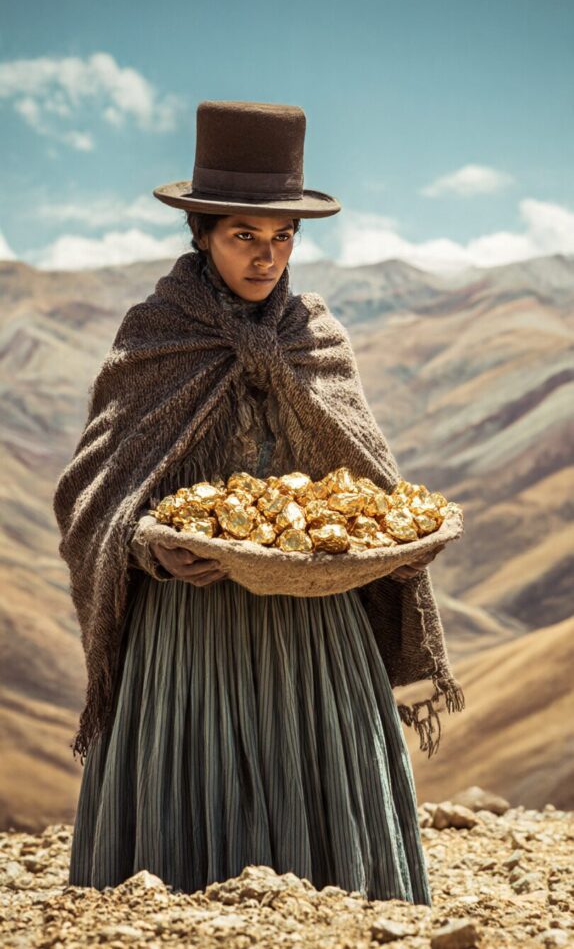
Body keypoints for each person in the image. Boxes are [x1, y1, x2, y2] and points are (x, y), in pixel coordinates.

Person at [59, 100, 458, 905]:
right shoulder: (154, 334)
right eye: (245, 235)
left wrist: (390, 530)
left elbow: (366, 473)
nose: (267, 256)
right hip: (189, 633)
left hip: (317, 628)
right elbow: (93, 491)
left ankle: (337, 914)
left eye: (284, 237)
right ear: (201, 232)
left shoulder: (315, 335)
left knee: (332, 845)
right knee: (188, 825)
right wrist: (146, 542)